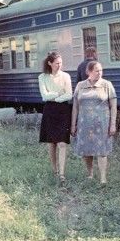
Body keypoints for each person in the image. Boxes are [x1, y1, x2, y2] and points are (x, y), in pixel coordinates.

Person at [71, 61, 117, 185]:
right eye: (96, 71)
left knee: (101, 150)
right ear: (88, 72)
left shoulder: (107, 85)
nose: (99, 73)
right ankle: (90, 174)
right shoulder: (80, 86)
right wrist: (73, 124)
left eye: (101, 70)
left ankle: (103, 177)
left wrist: (112, 124)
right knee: (87, 150)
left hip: (102, 123)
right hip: (84, 123)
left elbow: (113, 106)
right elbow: (75, 107)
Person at [38, 51, 73, 182]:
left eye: (61, 63)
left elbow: (69, 94)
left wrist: (56, 98)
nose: (59, 65)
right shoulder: (42, 77)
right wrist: (59, 92)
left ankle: (62, 173)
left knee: (63, 142)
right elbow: (44, 96)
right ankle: (55, 169)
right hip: (50, 110)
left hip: (63, 109)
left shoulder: (66, 76)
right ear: (50, 63)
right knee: (51, 142)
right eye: (57, 63)